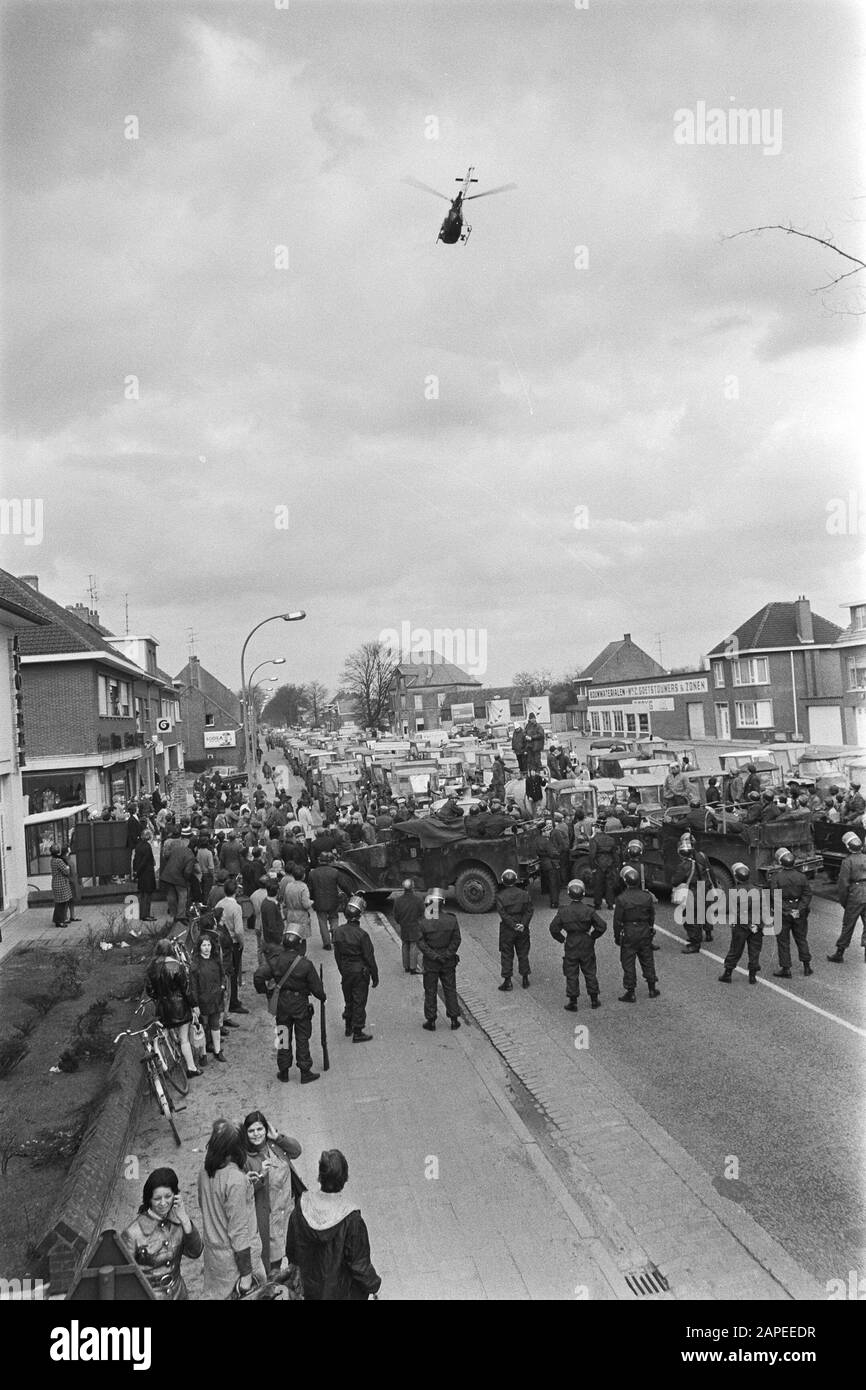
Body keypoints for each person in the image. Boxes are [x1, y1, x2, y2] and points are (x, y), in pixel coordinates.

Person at [285, 1149, 381, 1301]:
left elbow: (291, 1251)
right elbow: (359, 1265)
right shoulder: (351, 1219)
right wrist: (373, 1286)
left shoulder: (301, 1207)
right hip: (340, 1292)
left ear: (320, 1176)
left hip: (307, 1290)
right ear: (344, 1178)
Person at [253, 927, 325, 1083]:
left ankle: (284, 1071)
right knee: (302, 1037)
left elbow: (258, 975)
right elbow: (317, 988)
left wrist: (265, 991)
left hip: (282, 1005)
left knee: (283, 1035)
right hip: (300, 1005)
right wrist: (322, 997)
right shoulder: (305, 964)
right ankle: (305, 1071)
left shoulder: (275, 960)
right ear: (298, 944)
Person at [197, 1120, 261, 1299]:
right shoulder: (235, 1180)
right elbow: (238, 1231)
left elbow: (207, 1204)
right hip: (235, 1263)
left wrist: (243, 1183)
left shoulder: (203, 1173)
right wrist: (247, 1276)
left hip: (214, 1259)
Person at [121, 1167, 202, 1300]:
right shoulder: (133, 1233)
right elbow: (124, 1279)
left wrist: (185, 1220)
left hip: (178, 1294)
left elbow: (196, 1252)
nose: (163, 1203)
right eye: (157, 1198)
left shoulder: (178, 1222)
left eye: (168, 1197)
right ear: (149, 1200)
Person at [242, 1111, 303, 1276]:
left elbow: (297, 1151)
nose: (256, 1134)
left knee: (298, 1267)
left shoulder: (274, 1145)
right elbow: (243, 1193)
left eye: (260, 1129)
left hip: (290, 1216)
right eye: (251, 1131)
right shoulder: (245, 1159)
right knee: (273, 1272)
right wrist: (261, 1176)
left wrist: (277, 1137)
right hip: (269, 1224)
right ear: (245, 1134)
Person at [549, 878, 606, 1011]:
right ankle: (594, 999)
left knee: (571, 973)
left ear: (569, 894)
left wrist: (562, 939)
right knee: (590, 971)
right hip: (586, 941)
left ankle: (573, 1001)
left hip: (571, 942)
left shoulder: (564, 911)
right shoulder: (589, 910)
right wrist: (592, 936)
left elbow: (553, 928)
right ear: (583, 894)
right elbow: (602, 926)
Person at [146, 940, 201, 1077]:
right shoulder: (177, 966)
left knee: (164, 1035)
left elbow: (150, 991)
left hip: (163, 1010)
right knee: (184, 1039)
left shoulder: (151, 968)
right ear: (171, 950)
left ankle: (165, 1066)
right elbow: (186, 990)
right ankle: (191, 1068)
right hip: (179, 1008)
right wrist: (194, 1005)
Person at [333, 894, 378, 1043]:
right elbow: (369, 957)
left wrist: (342, 969)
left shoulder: (338, 932)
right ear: (359, 915)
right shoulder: (362, 935)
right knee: (359, 1000)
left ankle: (348, 1026)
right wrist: (375, 976)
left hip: (346, 969)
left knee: (348, 999)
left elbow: (337, 955)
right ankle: (358, 1031)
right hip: (360, 971)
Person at [613, 865, 660, 1003]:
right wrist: (650, 928)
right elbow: (652, 915)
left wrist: (617, 937)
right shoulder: (646, 897)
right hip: (644, 930)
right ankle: (652, 988)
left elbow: (617, 921)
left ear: (625, 881)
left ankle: (630, 991)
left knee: (628, 961)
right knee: (647, 959)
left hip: (629, 932)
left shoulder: (622, 899)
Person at [418, 887, 462, 1030]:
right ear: (443, 903)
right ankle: (454, 1019)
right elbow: (456, 940)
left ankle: (431, 1021)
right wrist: (447, 955)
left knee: (430, 990)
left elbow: (421, 943)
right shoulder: (451, 919)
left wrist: (434, 956)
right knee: (450, 989)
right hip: (448, 961)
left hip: (431, 962)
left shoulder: (424, 922)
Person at [718, 862, 764, 985]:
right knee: (754, 951)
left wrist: (748, 924)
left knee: (735, 950)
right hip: (757, 925)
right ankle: (752, 976)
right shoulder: (758, 890)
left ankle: (727, 974)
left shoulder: (734, 892)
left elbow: (736, 912)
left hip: (741, 926)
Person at [671, 833, 718, 951]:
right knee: (706, 910)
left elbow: (675, 881)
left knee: (691, 917)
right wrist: (715, 887)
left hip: (694, 890)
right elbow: (710, 871)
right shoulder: (702, 855)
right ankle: (708, 933)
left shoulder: (685, 864)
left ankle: (695, 941)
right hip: (705, 886)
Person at [827, 832, 866, 964]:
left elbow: (843, 885)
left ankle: (839, 953)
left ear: (848, 847)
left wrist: (844, 902)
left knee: (848, 925)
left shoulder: (847, 861)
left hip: (855, 895)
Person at [494, 868, 533, 990]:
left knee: (506, 954)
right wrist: (523, 924)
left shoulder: (500, 896)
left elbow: (503, 914)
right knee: (523, 953)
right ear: (516, 880)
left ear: (503, 881)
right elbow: (529, 910)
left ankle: (507, 981)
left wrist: (513, 925)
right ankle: (525, 979)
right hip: (522, 929)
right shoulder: (524, 894)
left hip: (507, 929)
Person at [190, 934, 226, 1064]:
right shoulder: (195, 964)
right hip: (202, 1000)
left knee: (215, 1026)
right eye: (204, 945)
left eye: (208, 945)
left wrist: (222, 986)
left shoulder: (216, 960)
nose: (207, 948)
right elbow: (193, 986)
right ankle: (203, 1054)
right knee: (202, 1027)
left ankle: (217, 1051)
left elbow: (223, 975)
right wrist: (195, 1005)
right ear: (199, 947)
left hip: (216, 998)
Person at [308, 851, 351, 950]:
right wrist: (350, 894)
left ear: (319, 860)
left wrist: (311, 900)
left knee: (322, 921)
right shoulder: (334, 872)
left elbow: (310, 889)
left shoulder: (312, 873)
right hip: (333, 901)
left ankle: (326, 943)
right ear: (328, 861)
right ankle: (335, 939)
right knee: (334, 919)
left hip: (319, 901)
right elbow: (343, 885)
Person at [220, 879, 249, 1016]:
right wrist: (242, 942)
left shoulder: (219, 904)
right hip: (233, 941)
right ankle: (233, 1002)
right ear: (236, 891)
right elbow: (239, 930)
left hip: (222, 941)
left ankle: (231, 1000)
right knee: (234, 972)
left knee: (228, 972)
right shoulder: (236, 907)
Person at [159, 825, 194, 926]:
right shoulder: (189, 854)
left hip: (167, 874)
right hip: (178, 876)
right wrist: (186, 881)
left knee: (171, 895)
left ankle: (173, 915)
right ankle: (180, 916)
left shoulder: (174, 848)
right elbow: (187, 871)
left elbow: (166, 856)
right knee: (183, 895)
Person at [279, 865, 313, 954]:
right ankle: (301, 958)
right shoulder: (303, 887)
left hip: (290, 914)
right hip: (301, 915)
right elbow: (305, 904)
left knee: (291, 935)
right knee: (301, 938)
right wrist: (311, 902)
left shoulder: (289, 885)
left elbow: (285, 901)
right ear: (303, 876)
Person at [393, 878, 424, 973]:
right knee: (414, 946)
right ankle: (413, 968)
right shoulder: (418, 900)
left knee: (405, 944)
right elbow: (422, 913)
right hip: (414, 925)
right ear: (412, 887)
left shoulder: (398, 900)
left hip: (404, 925)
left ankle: (406, 966)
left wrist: (400, 922)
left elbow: (396, 915)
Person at [588, 819, 620, 909]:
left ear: (597, 828)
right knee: (609, 885)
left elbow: (592, 855)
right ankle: (610, 904)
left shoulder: (594, 840)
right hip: (609, 864)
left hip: (598, 864)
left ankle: (598, 904)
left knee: (598, 885)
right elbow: (615, 854)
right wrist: (616, 865)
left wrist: (592, 867)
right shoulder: (611, 839)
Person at [133, 827, 158, 922]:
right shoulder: (147, 846)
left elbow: (136, 860)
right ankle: (146, 914)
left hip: (141, 874)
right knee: (147, 895)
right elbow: (145, 860)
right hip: (147, 873)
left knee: (142, 895)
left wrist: (136, 872)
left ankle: (142, 914)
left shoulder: (138, 845)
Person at [537, 823, 561, 909]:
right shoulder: (546, 841)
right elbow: (552, 853)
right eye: (547, 830)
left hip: (543, 863)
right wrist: (557, 853)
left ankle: (547, 894)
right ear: (543, 831)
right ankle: (554, 903)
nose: (549, 832)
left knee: (549, 882)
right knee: (554, 884)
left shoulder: (537, 840)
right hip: (550, 864)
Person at [50, 844, 72, 928]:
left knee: (59, 903)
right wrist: (67, 867)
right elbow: (66, 871)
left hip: (55, 883)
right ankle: (60, 921)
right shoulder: (59, 861)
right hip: (61, 883)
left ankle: (58, 920)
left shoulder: (52, 860)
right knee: (62, 903)